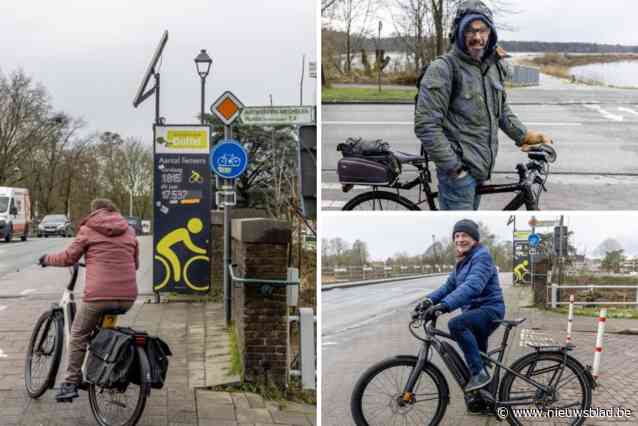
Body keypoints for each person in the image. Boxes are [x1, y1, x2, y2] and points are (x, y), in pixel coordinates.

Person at [414, 0, 553, 210]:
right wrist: (455, 169)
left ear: (490, 33)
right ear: (459, 33)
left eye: (483, 30)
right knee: (462, 229)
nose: (477, 37)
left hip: (480, 170)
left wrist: (523, 135)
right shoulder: (444, 69)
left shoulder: (491, 67)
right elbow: (426, 125)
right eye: (470, 30)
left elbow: (501, 111)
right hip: (458, 177)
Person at [39, 199, 139, 402]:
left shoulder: (88, 229)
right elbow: (135, 264)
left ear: (95, 212)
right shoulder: (129, 231)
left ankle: (70, 383)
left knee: (78, 334)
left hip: (99, 296)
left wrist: (46, 259)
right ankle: (100, 370)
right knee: (101, 333)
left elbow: (68, 258)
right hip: (128, 297)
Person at [416, 219, 505, 392]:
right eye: (456, 236)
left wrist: (444, 305)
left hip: (490, 310)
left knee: (456, 324)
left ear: (474, 239)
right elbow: (448, 287)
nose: (459, 239)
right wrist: (427, 301)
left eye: (464, 235)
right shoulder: (462, 263)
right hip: (475, 312)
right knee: (478, 354)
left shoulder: (482, 256)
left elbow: (472, 286)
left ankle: (480, 374)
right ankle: (485, 400)